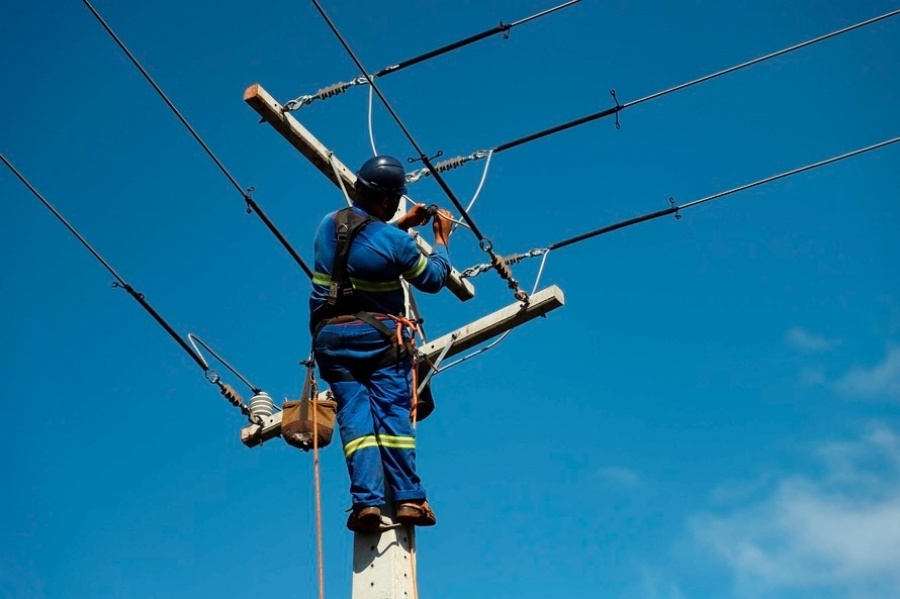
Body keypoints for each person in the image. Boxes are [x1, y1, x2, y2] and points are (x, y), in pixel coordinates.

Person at [309, 154, 454, 533]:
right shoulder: (394, 243)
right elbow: (433, 279)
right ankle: (408, 498)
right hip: (378, 340)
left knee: (355, 419)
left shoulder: (328, 223)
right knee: (391, 414)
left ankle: (366, 505)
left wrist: (402, 224)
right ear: (390, 199)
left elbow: (360, 246)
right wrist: (441, 239)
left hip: (329, 340)